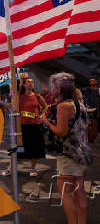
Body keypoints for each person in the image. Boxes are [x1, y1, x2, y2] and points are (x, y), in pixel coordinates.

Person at [40, 73, 92, 224]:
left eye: (52, 86)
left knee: (66, 193)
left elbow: (61, 131)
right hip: (82, 153)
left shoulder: (63, 106)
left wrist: (46, 122)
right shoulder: (79, 103)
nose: (50, 89)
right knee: (79, 192)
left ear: (59, 88)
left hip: (68, 155)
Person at [18, 78, 48, 177]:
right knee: (19, 147)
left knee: (35, 148)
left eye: (32, 82)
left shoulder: (37, 96)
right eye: (28, 82)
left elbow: (45, 107)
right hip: (22, 125)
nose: (31, 83)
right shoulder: (19, 96)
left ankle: (32, 169)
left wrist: (41, 115)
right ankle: (10, 168)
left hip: (35, 125)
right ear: (24, 85)